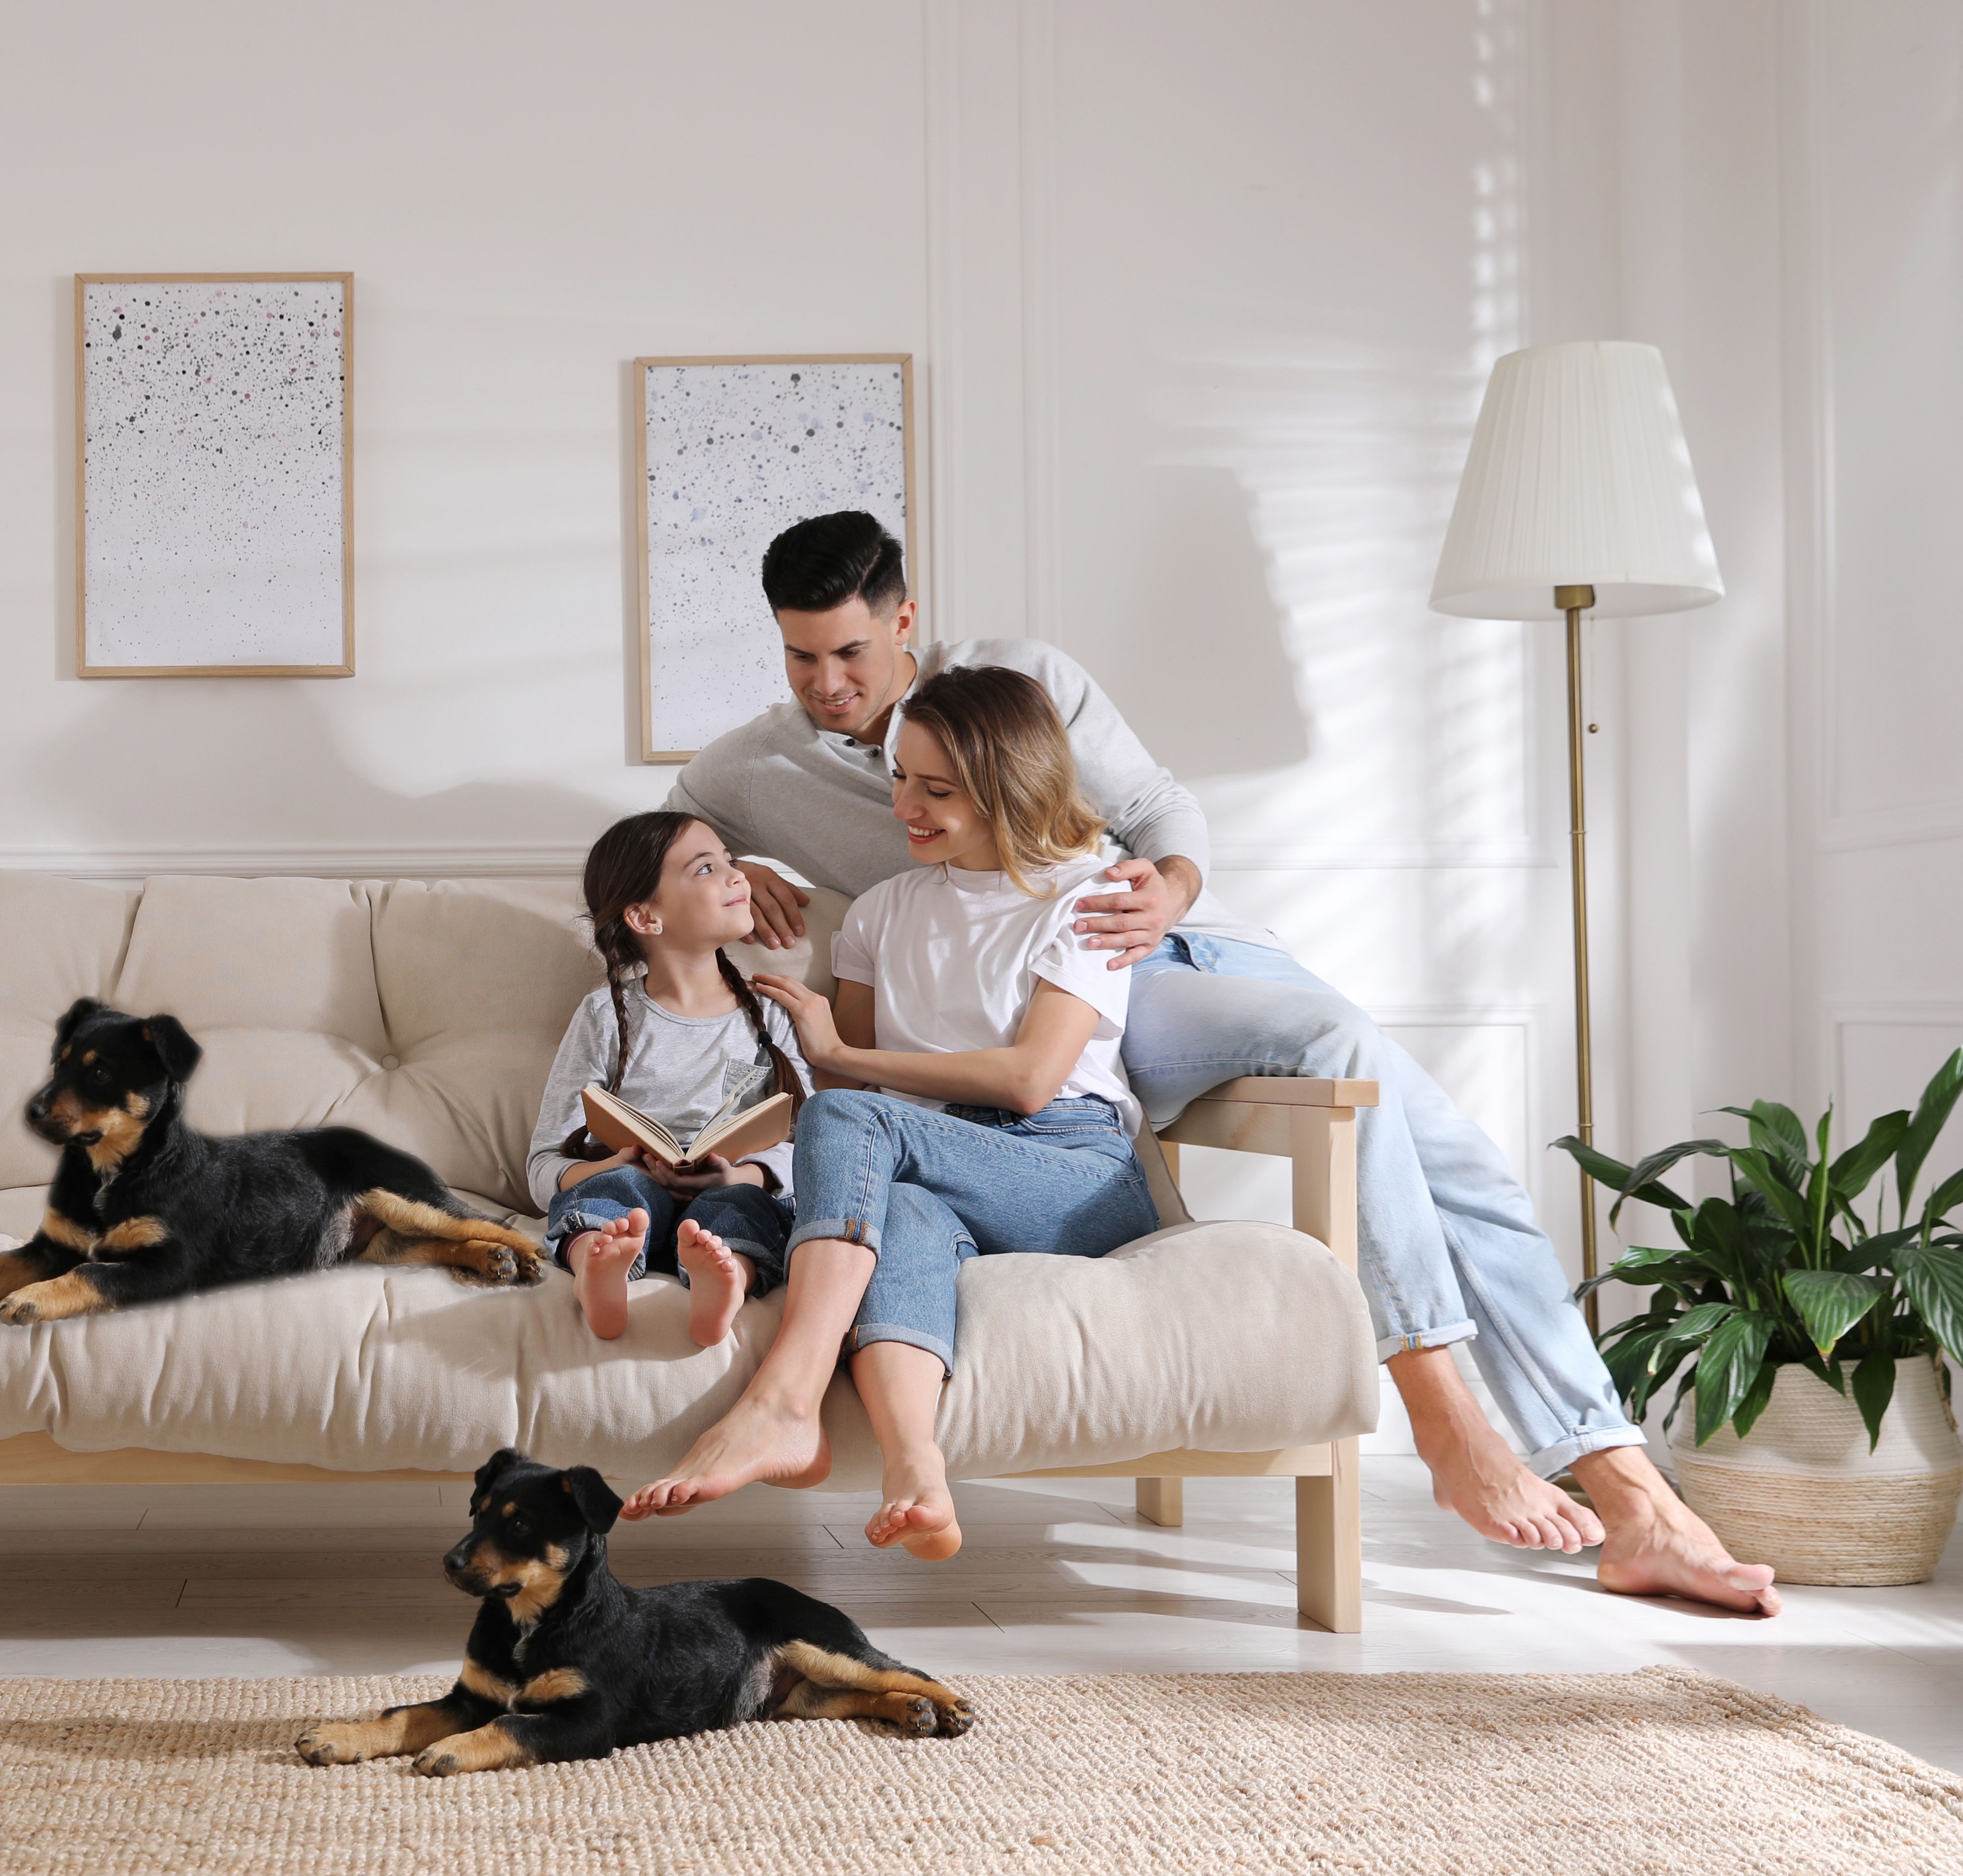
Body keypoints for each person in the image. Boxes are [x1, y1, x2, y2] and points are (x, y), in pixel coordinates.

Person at [635, 508, 1778, 1617]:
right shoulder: (765, 767)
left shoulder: (1019, 680)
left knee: (1453, 1160)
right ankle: (1526, 1457)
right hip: (1053, 1009)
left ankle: (1582, 1474)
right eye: (800, 659)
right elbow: (671, 825)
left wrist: (1163, 893)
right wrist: (734, 859)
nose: (829, 683)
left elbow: (1158, 810)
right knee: (1369, 1083)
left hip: (1159, 954)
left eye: (850, 651)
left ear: (904, 620)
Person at [744, 665, 1159, 1559]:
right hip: (936, 1162)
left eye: (938, 789)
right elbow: (853, 1103)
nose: (906, 807)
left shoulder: (1092, 897)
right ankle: (916, 1468)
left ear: (1012, 787)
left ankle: (785, 1395)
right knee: (907, 1209)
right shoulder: (881, 914)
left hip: (1072, 1172)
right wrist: (827, 1071)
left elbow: (1029, 1079)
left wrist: (841, 1055)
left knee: (856, 1125)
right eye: (900, 777)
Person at [528, 813, 810, 1348]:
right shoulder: (604, 1016)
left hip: (730, 1192)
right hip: (633, 1195)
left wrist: (742, 1178)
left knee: (744, 1212)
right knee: (614, 1191)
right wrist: (614, 1163)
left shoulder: (769, 1014)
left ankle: (726, 1282)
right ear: (646, 916)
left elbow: (815, 1149)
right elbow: (543, 1165)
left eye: (730, 859)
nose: (737, 876)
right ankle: (598, 1266)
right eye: (708, 867)